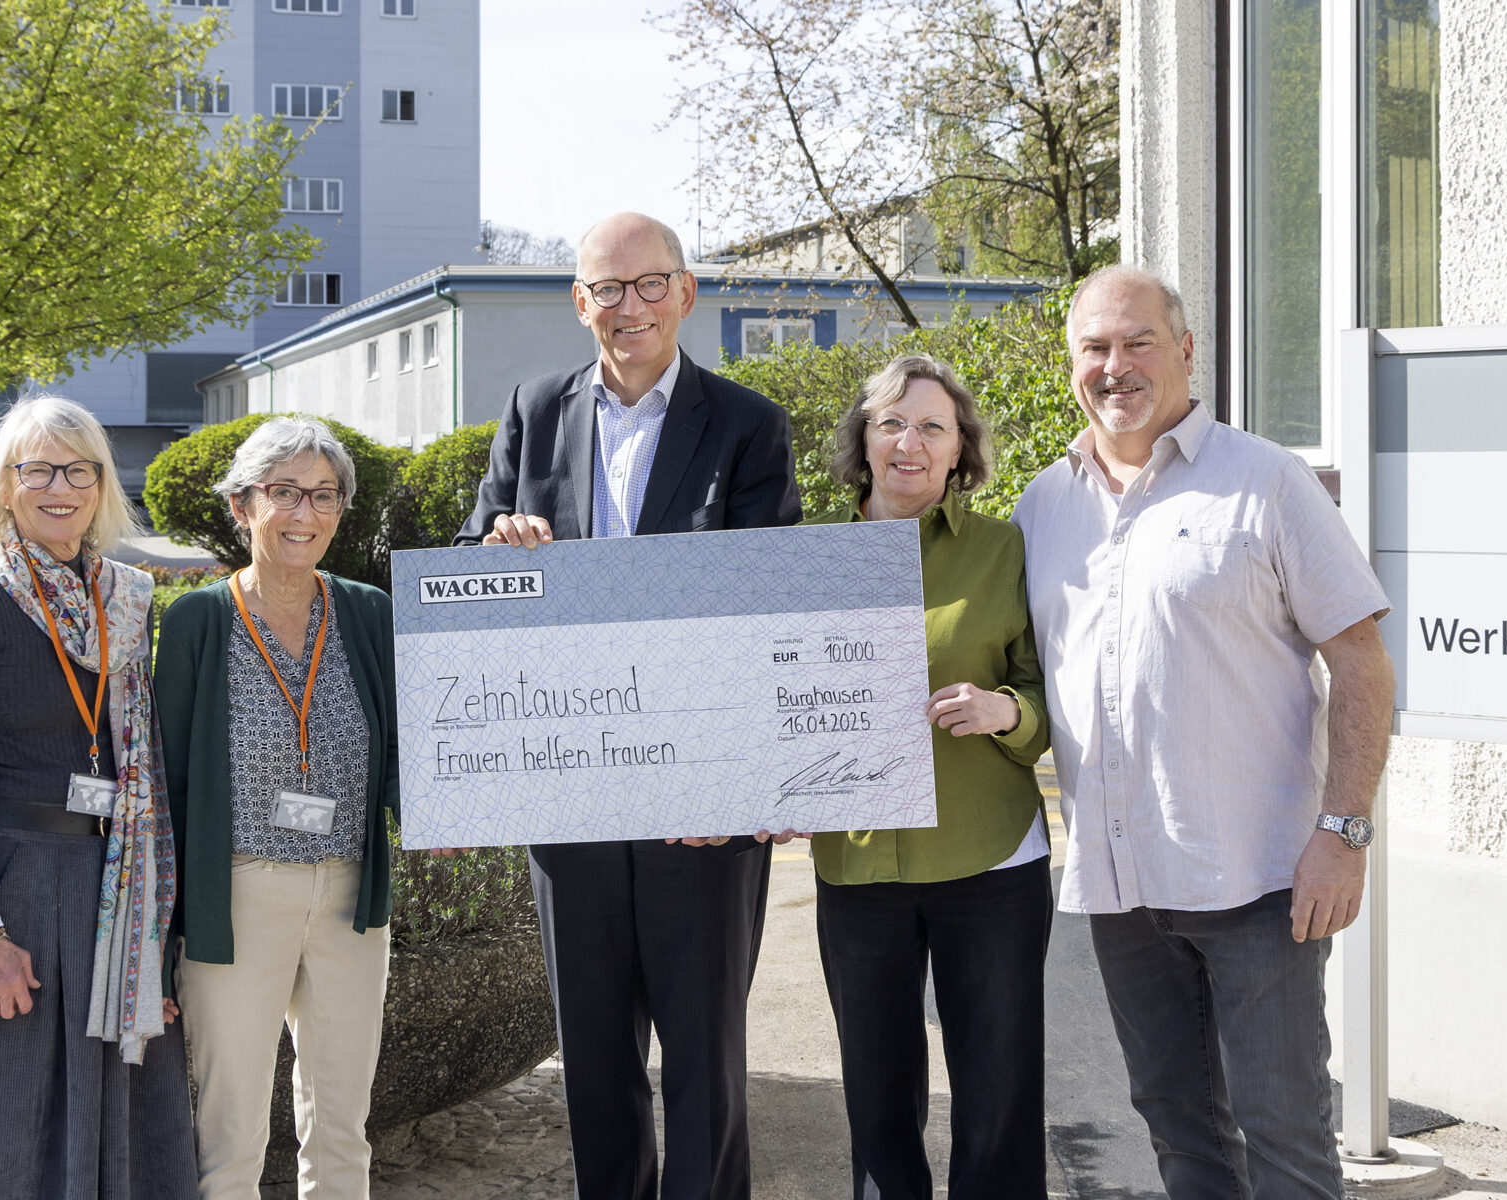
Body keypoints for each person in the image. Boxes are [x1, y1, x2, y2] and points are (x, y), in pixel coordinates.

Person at [1011, 264, 1396, 1200]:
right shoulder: (1043, 505)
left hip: (1261, 881)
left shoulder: (1266, 481)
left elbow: (1362, 664)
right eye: (1094, 348)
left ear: (1186, 351)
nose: (1115, 366)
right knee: (1180, 1134)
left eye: (1138, 342)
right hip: (1121, 884)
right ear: (1071, 364)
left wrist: (1344, 835)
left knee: (1286, 1138)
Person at [455, 210, 801, 1200]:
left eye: (651, 284)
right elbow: (469, 564)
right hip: (572, 795)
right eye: (608, 288)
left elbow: (771, 607)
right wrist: (497, 549)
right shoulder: (533, 411)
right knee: (595, 1060)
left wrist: (747, 783)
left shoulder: (747, 425)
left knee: (703, 1059)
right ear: (580, 303)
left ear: (686, 292)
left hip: (701, 804)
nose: (631, 306)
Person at [0, 396, 193, 1200]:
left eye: (79, 470)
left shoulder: (127, 601)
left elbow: (148, 763)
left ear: (102, 485)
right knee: (7, 1126)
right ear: (5, 487)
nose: (60, 488)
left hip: (117, 886)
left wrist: (154, 944)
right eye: (37, 471)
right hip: (18, 895)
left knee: (127, 1120)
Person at [803, 355, 1052, 1199]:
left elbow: (1044, 692)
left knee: (997, 1092)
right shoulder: (805, 556)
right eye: (892, 423)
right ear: (864, 440)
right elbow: (772, 697)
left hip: (989, 858)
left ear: (959, 451)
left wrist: (1005, 711)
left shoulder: (1002, 550)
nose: (909, 442)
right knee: (876, 1094)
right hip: (857, 859)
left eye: (932, 427)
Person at [155, 417, 399, 1200]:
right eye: (285, 492)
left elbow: (406, 742)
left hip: (349, 897)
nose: (305, 513)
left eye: (325, 496)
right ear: (242, 505)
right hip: (237, 895)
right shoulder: (198, 621)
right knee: (229, 1136)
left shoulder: (368, 612)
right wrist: (160, 936)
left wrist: (442, 812)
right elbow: (166, 782)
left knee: (343, 1129)